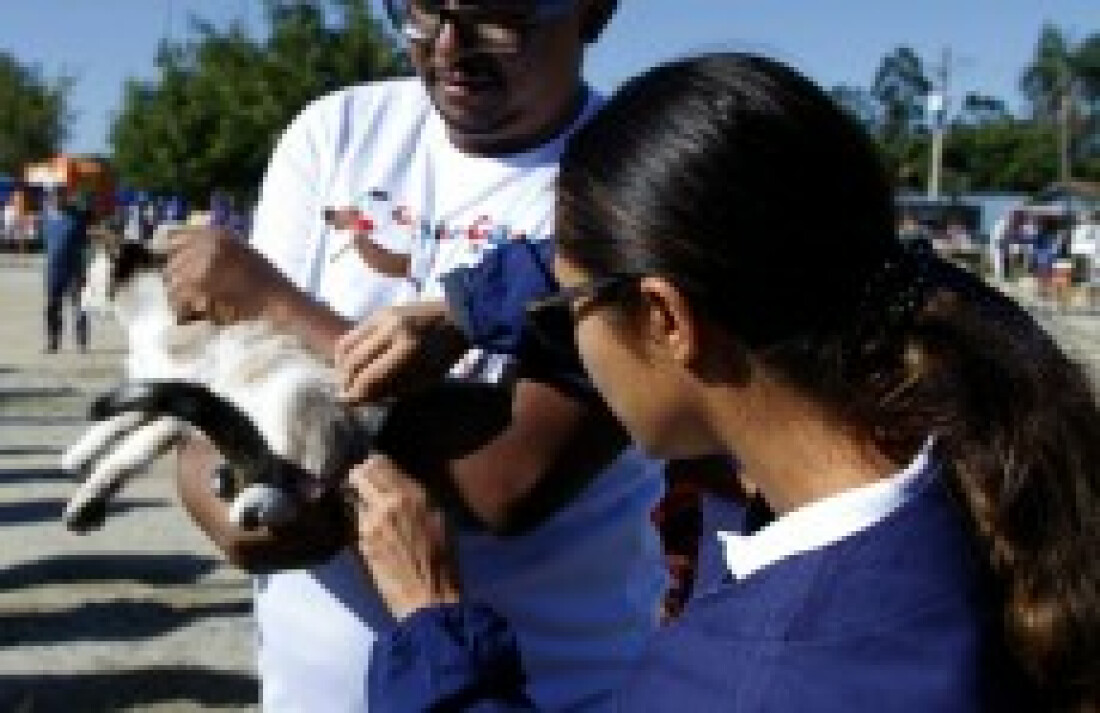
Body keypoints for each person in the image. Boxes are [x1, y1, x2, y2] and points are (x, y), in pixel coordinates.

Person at [349, 52, 1100, 711]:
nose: (562, 331)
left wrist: (433, 623)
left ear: (666, 318)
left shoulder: (749, 678)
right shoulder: (972, 390)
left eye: (566, 310)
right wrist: (464, 306)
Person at [162, 1, 666, 711]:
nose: (450, 45)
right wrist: (216, 492)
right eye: (423, 9)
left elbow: (504, 479)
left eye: (498, 14)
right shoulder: (336, 132)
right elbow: (226, 376)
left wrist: (273, 302)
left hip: (548, 685)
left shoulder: (636, 179)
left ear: (593, 11)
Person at [40, 189, 89, 353]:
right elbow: (46, 241)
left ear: (66, 198)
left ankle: (81, 343)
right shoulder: (47, 217)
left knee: (79, 306)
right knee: (52, 306)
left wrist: (85, 268)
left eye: (59, 196)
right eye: (53, 197)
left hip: (74, 269)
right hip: (54, 269)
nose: (56, 200)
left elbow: (86, 243)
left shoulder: (78, 216)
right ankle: (53, 343)